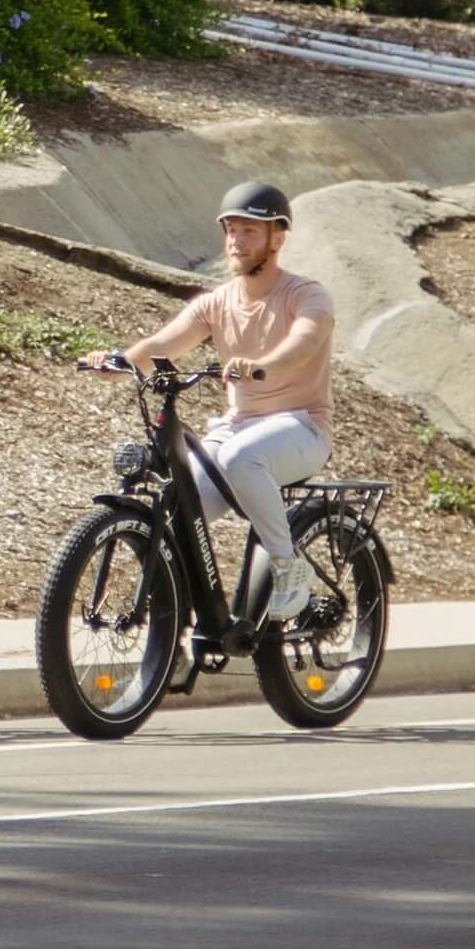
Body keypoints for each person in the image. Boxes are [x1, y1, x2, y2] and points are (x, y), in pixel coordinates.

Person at [82, 180, 346, 646]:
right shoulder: (217, 302)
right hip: (238, 427)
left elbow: (302, 344)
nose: (236, 241)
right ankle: (177, 626)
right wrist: (120, 362)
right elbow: (163, 344)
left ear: (277, 238)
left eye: (249, 231)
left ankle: (289, 568)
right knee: (182, 510)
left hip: (302, 426)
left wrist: (262, 366)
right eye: (231, 230)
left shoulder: (307, 295)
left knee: (242, 458)